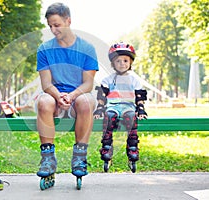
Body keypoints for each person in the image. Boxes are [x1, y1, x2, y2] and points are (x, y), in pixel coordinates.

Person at [35, 2, 99, 189]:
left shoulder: (87, 48)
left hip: (78, 96)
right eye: (50, 26)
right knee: (44, 101)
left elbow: (88, 83)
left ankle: (79, 157)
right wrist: (59, 95)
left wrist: (71, 95)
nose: (53, 30)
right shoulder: (44, 49)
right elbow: (46, 84)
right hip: (54, 96)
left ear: (68, 20)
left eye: (57, 25)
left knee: (85, 101)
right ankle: (48, 158)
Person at [93, 42, 147, 173]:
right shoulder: (108, 79)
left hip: (128, 107)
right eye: (118, 61)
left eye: (125, 60)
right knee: (109, 116)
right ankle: (106, 146)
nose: (122, 63)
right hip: (113, 106)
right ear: (112, 63)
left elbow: (139, 96)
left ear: (130, 62)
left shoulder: (134, 80)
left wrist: (140, 109)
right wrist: (100, 109)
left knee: (131, 117)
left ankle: (132, 147)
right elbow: (102, 96)